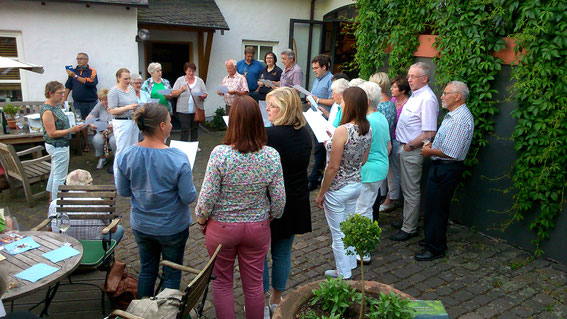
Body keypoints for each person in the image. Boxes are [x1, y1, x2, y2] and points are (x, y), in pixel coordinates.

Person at [195, 96, 285, 319]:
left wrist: (201, 220)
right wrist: (269, 216)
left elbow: (207, 198)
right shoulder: (271, 156)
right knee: (254, 285)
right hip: (257, 228)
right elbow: (279, 201)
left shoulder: (220, 154)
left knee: (222, 282)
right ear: (258, 119)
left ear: (232, 121)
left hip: (222, 228)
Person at [115, 103, 197, 297]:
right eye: (169, 121)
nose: (170, 124)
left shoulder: (125, 155)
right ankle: (166, 311)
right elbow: (188, 197)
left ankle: (143, 309)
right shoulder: (177, 157)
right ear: (162, 126)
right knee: (172, 273)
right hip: (172, 226)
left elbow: (124, 191)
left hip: (142, 225)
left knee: (147, 269)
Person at [263, 87, 312, 314]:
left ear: (285, 109)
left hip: (271, 201)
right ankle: (276, 299)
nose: (268, 109)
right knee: (282, 252)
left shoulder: (270, 136)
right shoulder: (304, 133)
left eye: (272, 106)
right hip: (295, 199)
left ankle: (261, 300)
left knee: (260, 253)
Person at [315, 87, 372, 279]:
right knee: (347, 229)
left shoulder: (343, 130)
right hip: (355, 184)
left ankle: (344, 273)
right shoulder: (367, 128)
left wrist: (321, 192)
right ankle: (349, 265)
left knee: (338, 234)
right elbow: (362, 160)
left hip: (338, 188)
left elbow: (332, 167)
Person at [416, 81, 474, 261]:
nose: (442, 96)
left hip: (446, 168)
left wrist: (428, 151)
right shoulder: (453, 115)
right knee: (433, 207)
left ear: (457, 96)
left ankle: (436, 248)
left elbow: (451, 152)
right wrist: (434, 146)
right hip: (441, 167)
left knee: (438, 209)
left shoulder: (460, 119)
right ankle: (431, 240)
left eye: (446, 93)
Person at [390, 62, 439, 241]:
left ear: (424, 78)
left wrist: (410, 146)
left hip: (411, 150)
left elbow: (429, 132)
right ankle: (406, 220)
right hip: (403, 147)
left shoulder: (427, 98)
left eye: (413, 76)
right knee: (406, 187)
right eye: (409, 75)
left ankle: (409, 228)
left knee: (411, 190)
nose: (409, 79)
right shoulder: (417, 95)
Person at [355, 81, 391, 264]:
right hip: (379, 168)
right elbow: (388, 145)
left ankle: (363, 251)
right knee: (366, 207)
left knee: (362, 209)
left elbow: (361, 152)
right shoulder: (381, 117)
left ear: (366, 100)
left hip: (368, 170)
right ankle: (362, 248)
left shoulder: (367, 122)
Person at [48, 169, 124, 242]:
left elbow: (50, 228)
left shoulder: (55, 203)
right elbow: (113, 229)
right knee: (119, 229)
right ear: (89, 184)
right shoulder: (99, 202)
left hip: (63, 244)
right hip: (91, 244)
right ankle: (106, 253)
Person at [41, 81, 85, 200]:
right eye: (60, 93)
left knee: (54, 173)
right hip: (57, 146)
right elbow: (52, 133)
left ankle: (51, 198)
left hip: (61, 145)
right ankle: (56, 206)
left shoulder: (56, 106)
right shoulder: (48, 112)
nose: (62, 95)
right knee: (60, 177)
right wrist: (71, 130)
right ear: (51, 93)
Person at [380, 75, 411, 212]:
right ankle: (382, 195)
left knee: (393, 171)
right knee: (385, 171)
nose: (391, 89)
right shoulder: (391, 100)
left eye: (394, 87)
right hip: (388, 139)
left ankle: (391, 198)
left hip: (398, 140)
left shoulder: (408, 104)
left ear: (403, 90)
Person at [308, 55, 334, 191]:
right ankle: (317, 175)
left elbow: (333, 100)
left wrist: (317, 100)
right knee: (317, 148)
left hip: (325, 119)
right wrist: (311, 100)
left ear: (325, 66)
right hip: (315, 117)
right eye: (313, 68)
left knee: (320, 149)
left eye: (316, 68)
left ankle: (314, 177)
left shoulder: (331, 80)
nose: (314, 71)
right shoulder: (317, 80)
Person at [63, 52, 98, 153]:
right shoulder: (73, 71)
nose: (79, 61)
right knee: (82, 124)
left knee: (94, 123)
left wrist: (75, 76)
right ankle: (86, 144)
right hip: (78, 102)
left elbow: (91, 83)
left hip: (91, 102)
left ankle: (97, 144)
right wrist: (64, 98)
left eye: (81, 59)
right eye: (77, 59)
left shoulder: (92, 71)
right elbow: (68, 85)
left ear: (87, 60)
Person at [107, 68, 139, 174]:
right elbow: (112, 110)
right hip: (121, 122)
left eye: (129, 78)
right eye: (125, 79)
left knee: (133, 148)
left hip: (133, 121)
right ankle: (118, 175)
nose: (128, 81)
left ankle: (131, 173)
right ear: (118, 78)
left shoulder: (131, 88)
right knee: (122, 149)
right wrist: (128, 107)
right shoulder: (114, 91)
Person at [171, 62, 208, 142]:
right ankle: (184, 145)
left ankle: (194, 145)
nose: (191, 73)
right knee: (185, 128)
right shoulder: (180, 80)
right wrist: (181, 90)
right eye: (189, 71)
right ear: (185, 71)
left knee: (195, 128)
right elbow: (173, 93)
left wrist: (202, 96)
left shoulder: (199, 81)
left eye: (193, 71)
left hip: (196, 109)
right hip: (183, 110)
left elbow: (205, 93)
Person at [85, 89, 116, 170]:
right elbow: (90, 116)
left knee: (114, 141)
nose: (104, 102)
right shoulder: (99, 105)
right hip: (102, 130)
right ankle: (102, 158)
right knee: (96, 139)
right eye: (102, 100)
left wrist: (113, 125)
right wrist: (91, 123)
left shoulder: (116, 105)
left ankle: (117, 159)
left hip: (114, 130)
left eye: (106, 100)